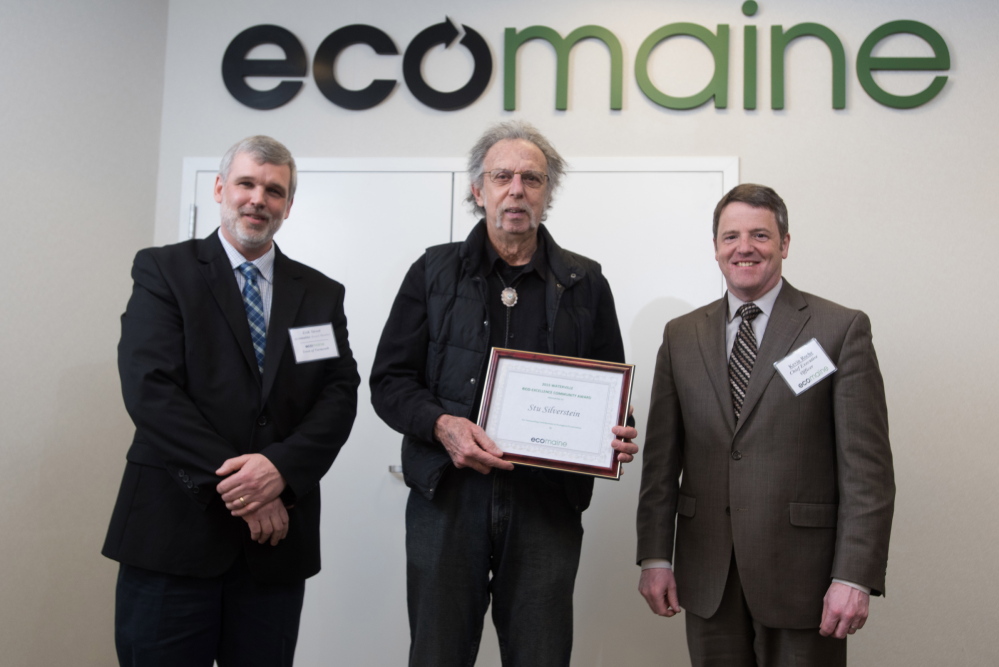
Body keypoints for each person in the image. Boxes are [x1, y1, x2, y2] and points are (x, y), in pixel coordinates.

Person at [370, 120, 638, 666]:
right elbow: (389, 382)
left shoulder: (586, 283)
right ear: (478, 190)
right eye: (502, 176)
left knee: (540, 655)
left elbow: (610, 386)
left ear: (548, 193)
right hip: (447, 495)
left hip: (545, 504)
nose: (517, 189)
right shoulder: (432, 272)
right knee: (438, 653)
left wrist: (617, 430)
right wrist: (441, 426)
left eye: (532, 179)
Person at [103, 135, 360, 666]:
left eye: (274, 190)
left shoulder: (320, 294)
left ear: (288, 205)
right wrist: (250, 488)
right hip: (173, 537)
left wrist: (280, 469)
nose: (257, 199)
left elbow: (338, 394)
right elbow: (150, 389)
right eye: (246, 183)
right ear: (221, 187)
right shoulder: (163, 271)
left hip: (272, 556)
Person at [636, 183, 895, 666]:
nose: (744, 247)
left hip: (805, 579)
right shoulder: (681, 335)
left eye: (760, 235)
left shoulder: (838, 329)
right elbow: (660, 461)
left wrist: (854, 576)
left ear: (785, 244)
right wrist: (655, 557)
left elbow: (868, 472)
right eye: (730, 236)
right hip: (708, 574)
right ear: (716, 247)